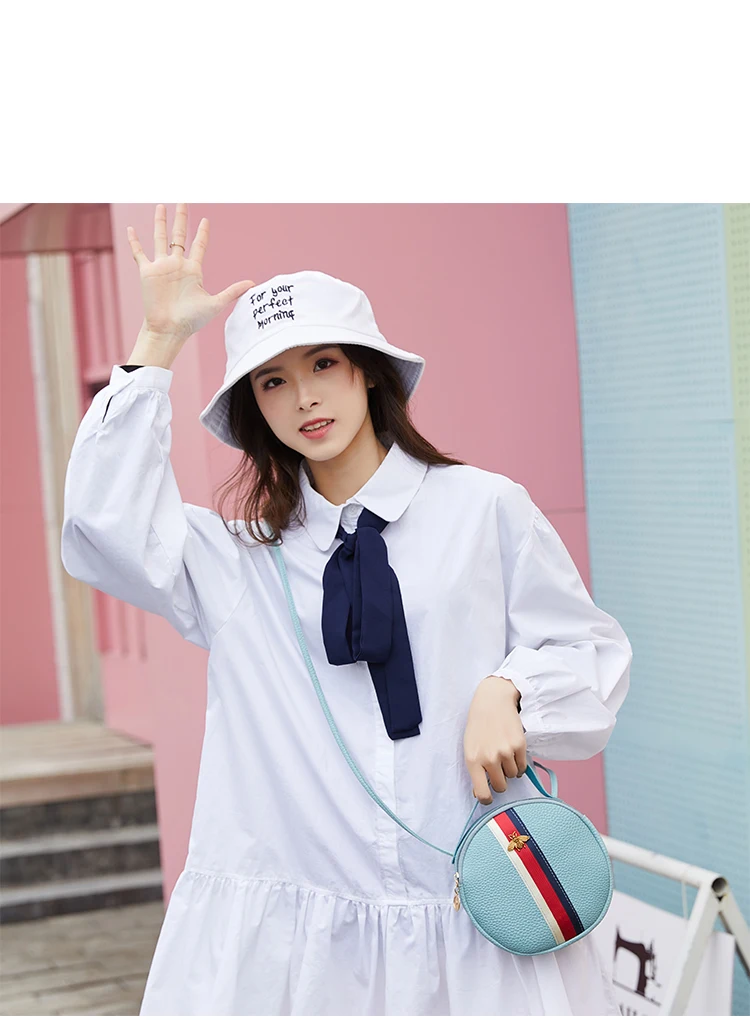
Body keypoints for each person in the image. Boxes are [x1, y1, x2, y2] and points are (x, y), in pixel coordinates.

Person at [61, 203, 632, 1015]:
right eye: (273, 380)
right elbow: (100, 528)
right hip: (303, 947)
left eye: (323, 363)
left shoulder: (483, 510)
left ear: (366, 371)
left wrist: (509, 690)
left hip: (474, 921)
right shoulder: (238, 559)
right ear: (255, 406)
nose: (304, 397)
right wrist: (158, 341)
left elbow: (588, 656)